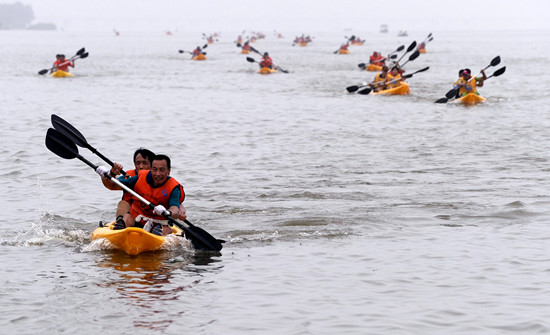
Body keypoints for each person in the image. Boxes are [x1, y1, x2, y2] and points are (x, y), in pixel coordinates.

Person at [96, 154, 186, 236]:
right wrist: (105, 178)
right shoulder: (140, 177)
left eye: (162, 170)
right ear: (151, 169)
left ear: (169, 171)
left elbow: (175, 210)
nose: (157, 174)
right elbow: (113, 185)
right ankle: (120, 231)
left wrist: (168, 212)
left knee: (164, 228)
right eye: (154, 169)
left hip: (159, 222)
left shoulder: (174, 187)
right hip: (136, 218)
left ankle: (159, 233)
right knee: (127, 217)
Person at [100, 148, 155, 227]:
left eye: (145, 163)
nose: (141, 166)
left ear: (152, 165)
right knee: (123, 203)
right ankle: (120, 222)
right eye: (138, 163)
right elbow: (111, 185)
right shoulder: (129, 176)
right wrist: (111, 174)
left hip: (149, 216)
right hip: (129, 217)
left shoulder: (158, 178)